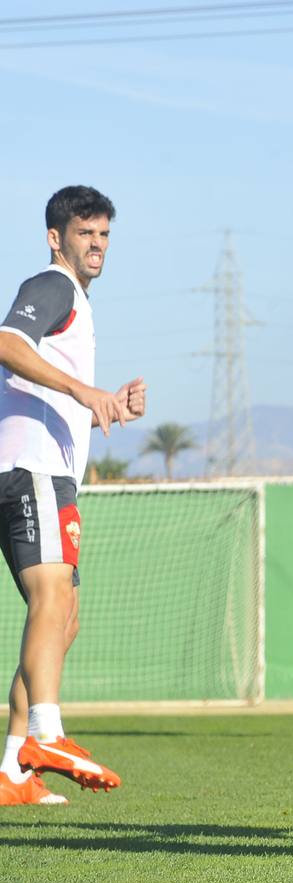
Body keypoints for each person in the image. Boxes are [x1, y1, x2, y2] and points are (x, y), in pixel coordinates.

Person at [0, 185, 145, 806]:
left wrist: (104, 406)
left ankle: (11, 771)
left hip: (48, 475)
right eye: (86, 233)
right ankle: (45, 734)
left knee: (64, 617)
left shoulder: (77, 304)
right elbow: (6, 343)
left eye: (104, 234)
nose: (97, 245)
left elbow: (43, 393)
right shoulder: (52, 284)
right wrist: (87, 392)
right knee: (53, 597)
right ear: (57, 237)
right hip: (29, 470)